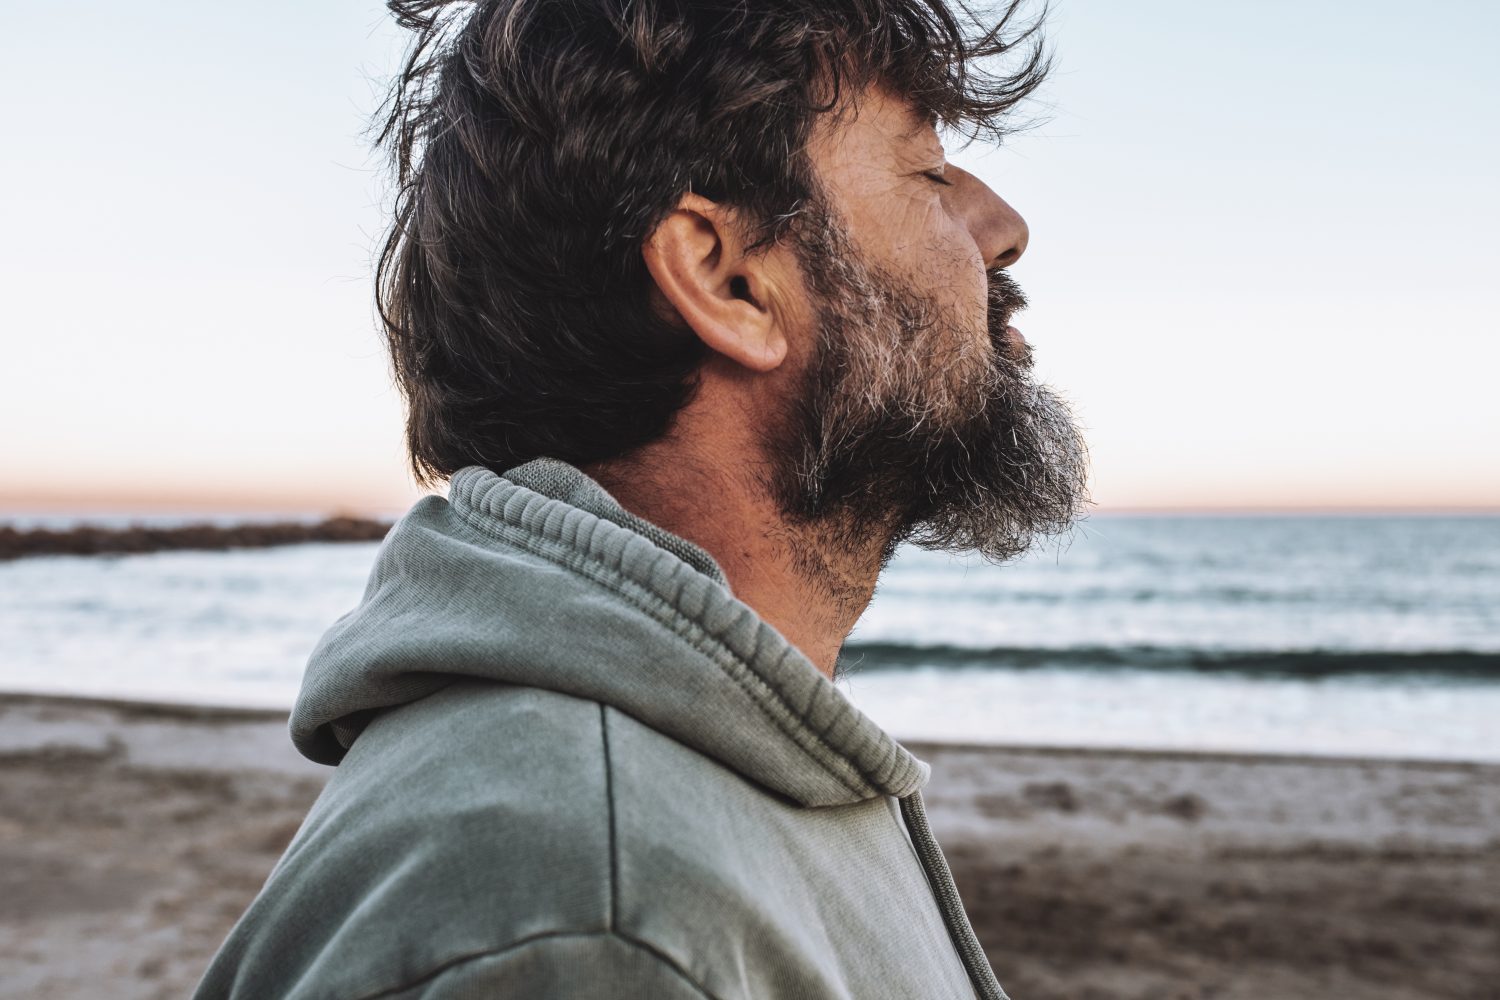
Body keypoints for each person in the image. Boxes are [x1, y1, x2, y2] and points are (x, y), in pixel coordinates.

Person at [195, 0, 1087, 995]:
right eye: (927, 171)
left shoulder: (696, 785)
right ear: (725, 280)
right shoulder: (594, 920)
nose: (1002, 230)